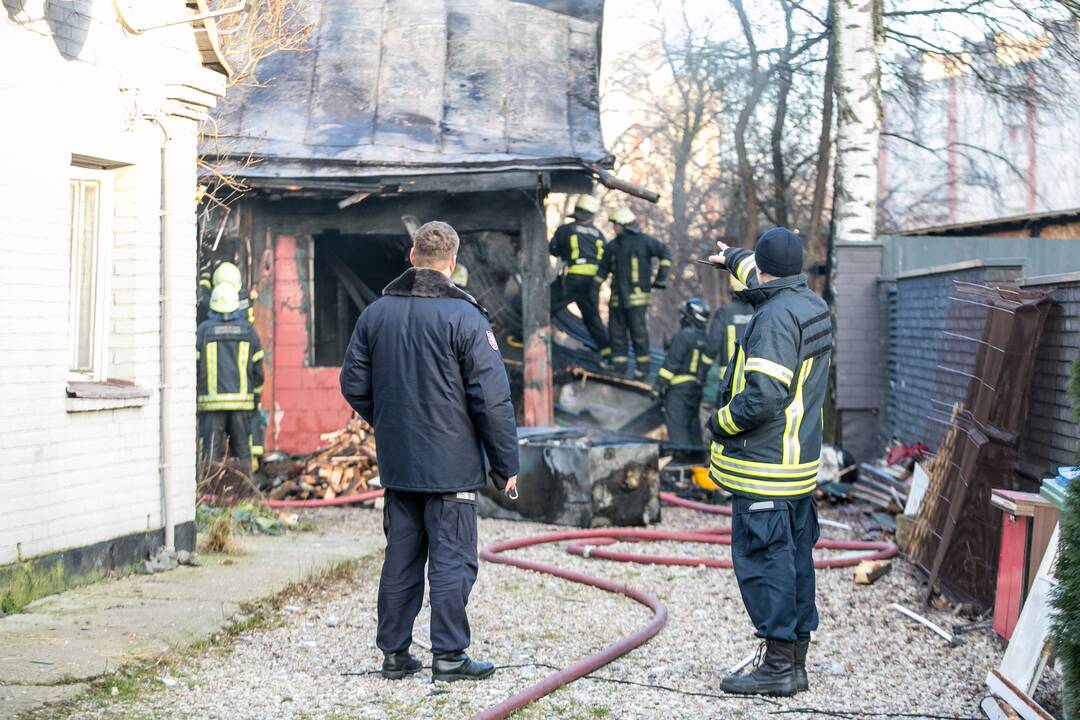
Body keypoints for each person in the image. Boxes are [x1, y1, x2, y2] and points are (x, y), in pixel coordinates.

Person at [339, 221, 520, 683]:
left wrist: (390, 421)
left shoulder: (375, 314)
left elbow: (352, 385)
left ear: (411, 256)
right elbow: (492, 399)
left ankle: (395, 655)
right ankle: (449, 657)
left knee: (401, 559)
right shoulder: (466, 318)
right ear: (452, 263)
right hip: (452, 469)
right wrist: (506, 465)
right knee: (451, 560)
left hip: (400, 465)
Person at [704, 228, 831, 697]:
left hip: (764, 468)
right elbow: (766, 277)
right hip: (797, 468)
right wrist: (732, 258)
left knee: (765, 566)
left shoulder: (774, 321)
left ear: (764, 267)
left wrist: (720, 423)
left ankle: (777, 666)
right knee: (795, 561)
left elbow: (762, 398)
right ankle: (793, 663)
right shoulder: (809, 304)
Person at [597, 207, 672, 379]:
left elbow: (665, 252)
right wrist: (592, 290)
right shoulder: (612, 246)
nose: (613, 227)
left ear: (624, 225)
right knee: (616, 334)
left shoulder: (645, 242)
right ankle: (619, 367)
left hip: (637, 299)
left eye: (615, 224)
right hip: (616, 300)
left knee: (638, 334)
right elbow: (602, 270)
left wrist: (661, 278)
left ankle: (642, 370)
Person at [196, 284, 264, 468]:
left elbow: (193, 367)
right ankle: (246, 491)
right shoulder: (248, 331)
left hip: (211, 405)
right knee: (242, 454)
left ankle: (207, 492)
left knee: (209, 457)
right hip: (241, 405)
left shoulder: (203, 331)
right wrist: (255, 397)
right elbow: (258, 371)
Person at [549, 194, 610, 363]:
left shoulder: (566, 229)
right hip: (593, 284)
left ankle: (527, 335)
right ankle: (607, 353)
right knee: (593, 319)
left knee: (545, 305)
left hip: (573, 280)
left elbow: (553, 249)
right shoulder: (599, 235)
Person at [654, 297, 713, 464]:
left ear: (690, 315)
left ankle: (682, 458)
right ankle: (698, 457)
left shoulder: (683, 336)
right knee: (692, 423)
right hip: (695, 388)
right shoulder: (704, 338)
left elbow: (671, 364)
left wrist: (658, 386)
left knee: (677, 422)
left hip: (679, 389)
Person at [706, 276, 755, 406]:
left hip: (729, 381)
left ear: (732, 290)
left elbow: (712, 345)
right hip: (755, 381)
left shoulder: (724, 313)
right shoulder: (760, 312)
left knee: (725, 421)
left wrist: (701, 373)